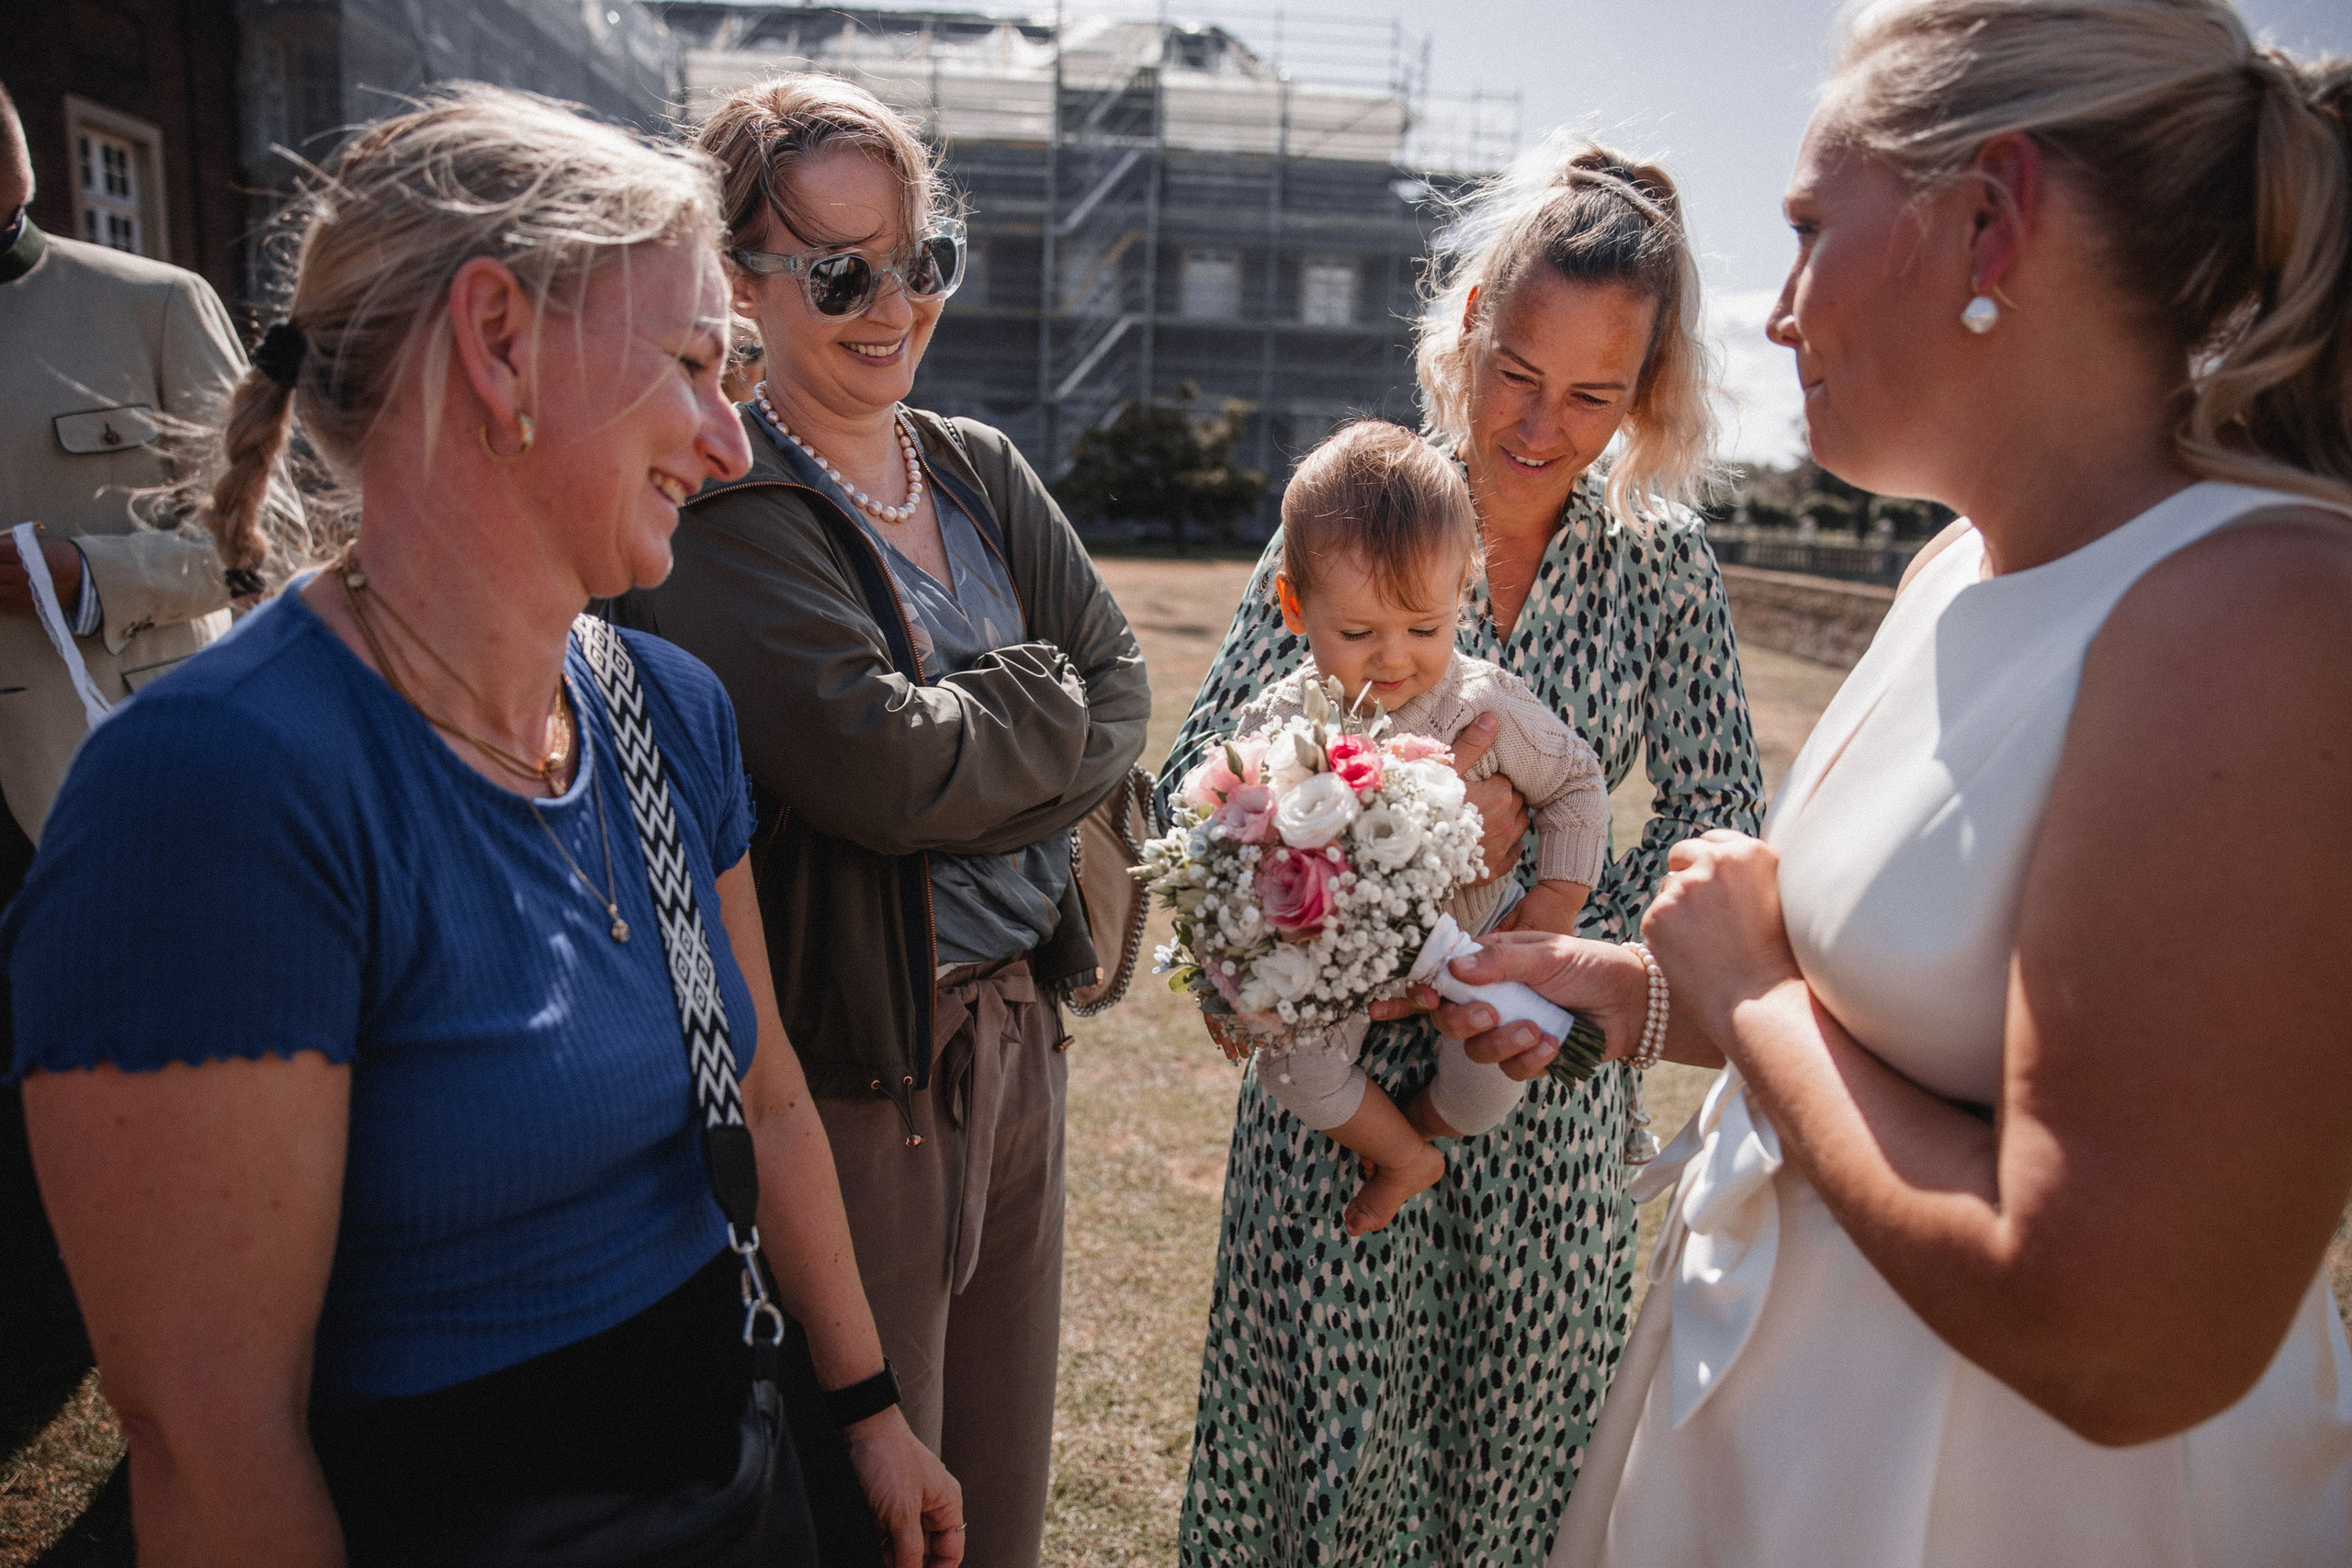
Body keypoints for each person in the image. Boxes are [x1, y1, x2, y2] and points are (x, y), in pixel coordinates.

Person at [1418, 4, 2352, 1564]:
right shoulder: (1955, 568)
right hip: (1780, 1463)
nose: (1776, 316)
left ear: (1990, 222)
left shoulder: (2257, 620)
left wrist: (1756, 995)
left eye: (1805, 233)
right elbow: (1892, 1026)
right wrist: (1629, 994)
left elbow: (2122, 1342)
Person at [4, 86, 962, 1566]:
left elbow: (762, 1093)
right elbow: (217, 1449)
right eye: (698, 367)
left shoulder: (665, 708)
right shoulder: (210, 798)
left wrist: (869, 1405)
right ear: (502, 340)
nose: (728, 442)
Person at [1159, 134, 1765, 1563]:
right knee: (1326, 1467)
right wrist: (1332, 887)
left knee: (1516, 1474)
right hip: (1338, 1103)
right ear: (1473, 323)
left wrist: (1568, 967)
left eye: (1595, 396)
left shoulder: (1664, 561)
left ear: (1648, 394)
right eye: (1518, 374)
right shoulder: (1359, 503)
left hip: (1539, 1094)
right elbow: (1205, 782)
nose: (1543, 425)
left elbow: (1722, 828)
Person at [611, 73, 1149, 1568]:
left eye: (919, 261)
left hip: (1020, 1042)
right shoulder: (726, 504)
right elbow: (880, 770)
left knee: (1003, 1478)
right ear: (735, 280)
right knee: (871, 1496)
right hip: (854, 1072)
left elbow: (1123, 686)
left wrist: (998, 728)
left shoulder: (979, 465)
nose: (890, 304)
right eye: (840, 271)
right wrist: (1037, 724)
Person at [1188, 419, 1609, 1237]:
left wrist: (1553, 908)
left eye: (1425, 628)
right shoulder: (1280, 722)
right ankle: (1402, 1154)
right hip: (1334, 965)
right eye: (1357, 632)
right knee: (1296, 1071)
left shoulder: (1482, 702)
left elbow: (1577, 782)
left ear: (1463, 596)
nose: (1393, 658)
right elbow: (1218, 844)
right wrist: (1226, 967)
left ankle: (1428, 1123)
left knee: (1490, 1089)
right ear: (1293, 603)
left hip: (1477, 932)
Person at [0, 77, 249, 1456]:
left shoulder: (150, 303)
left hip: (117, 766)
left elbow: (256, 530)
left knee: (160, 1080)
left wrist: (85, 572)